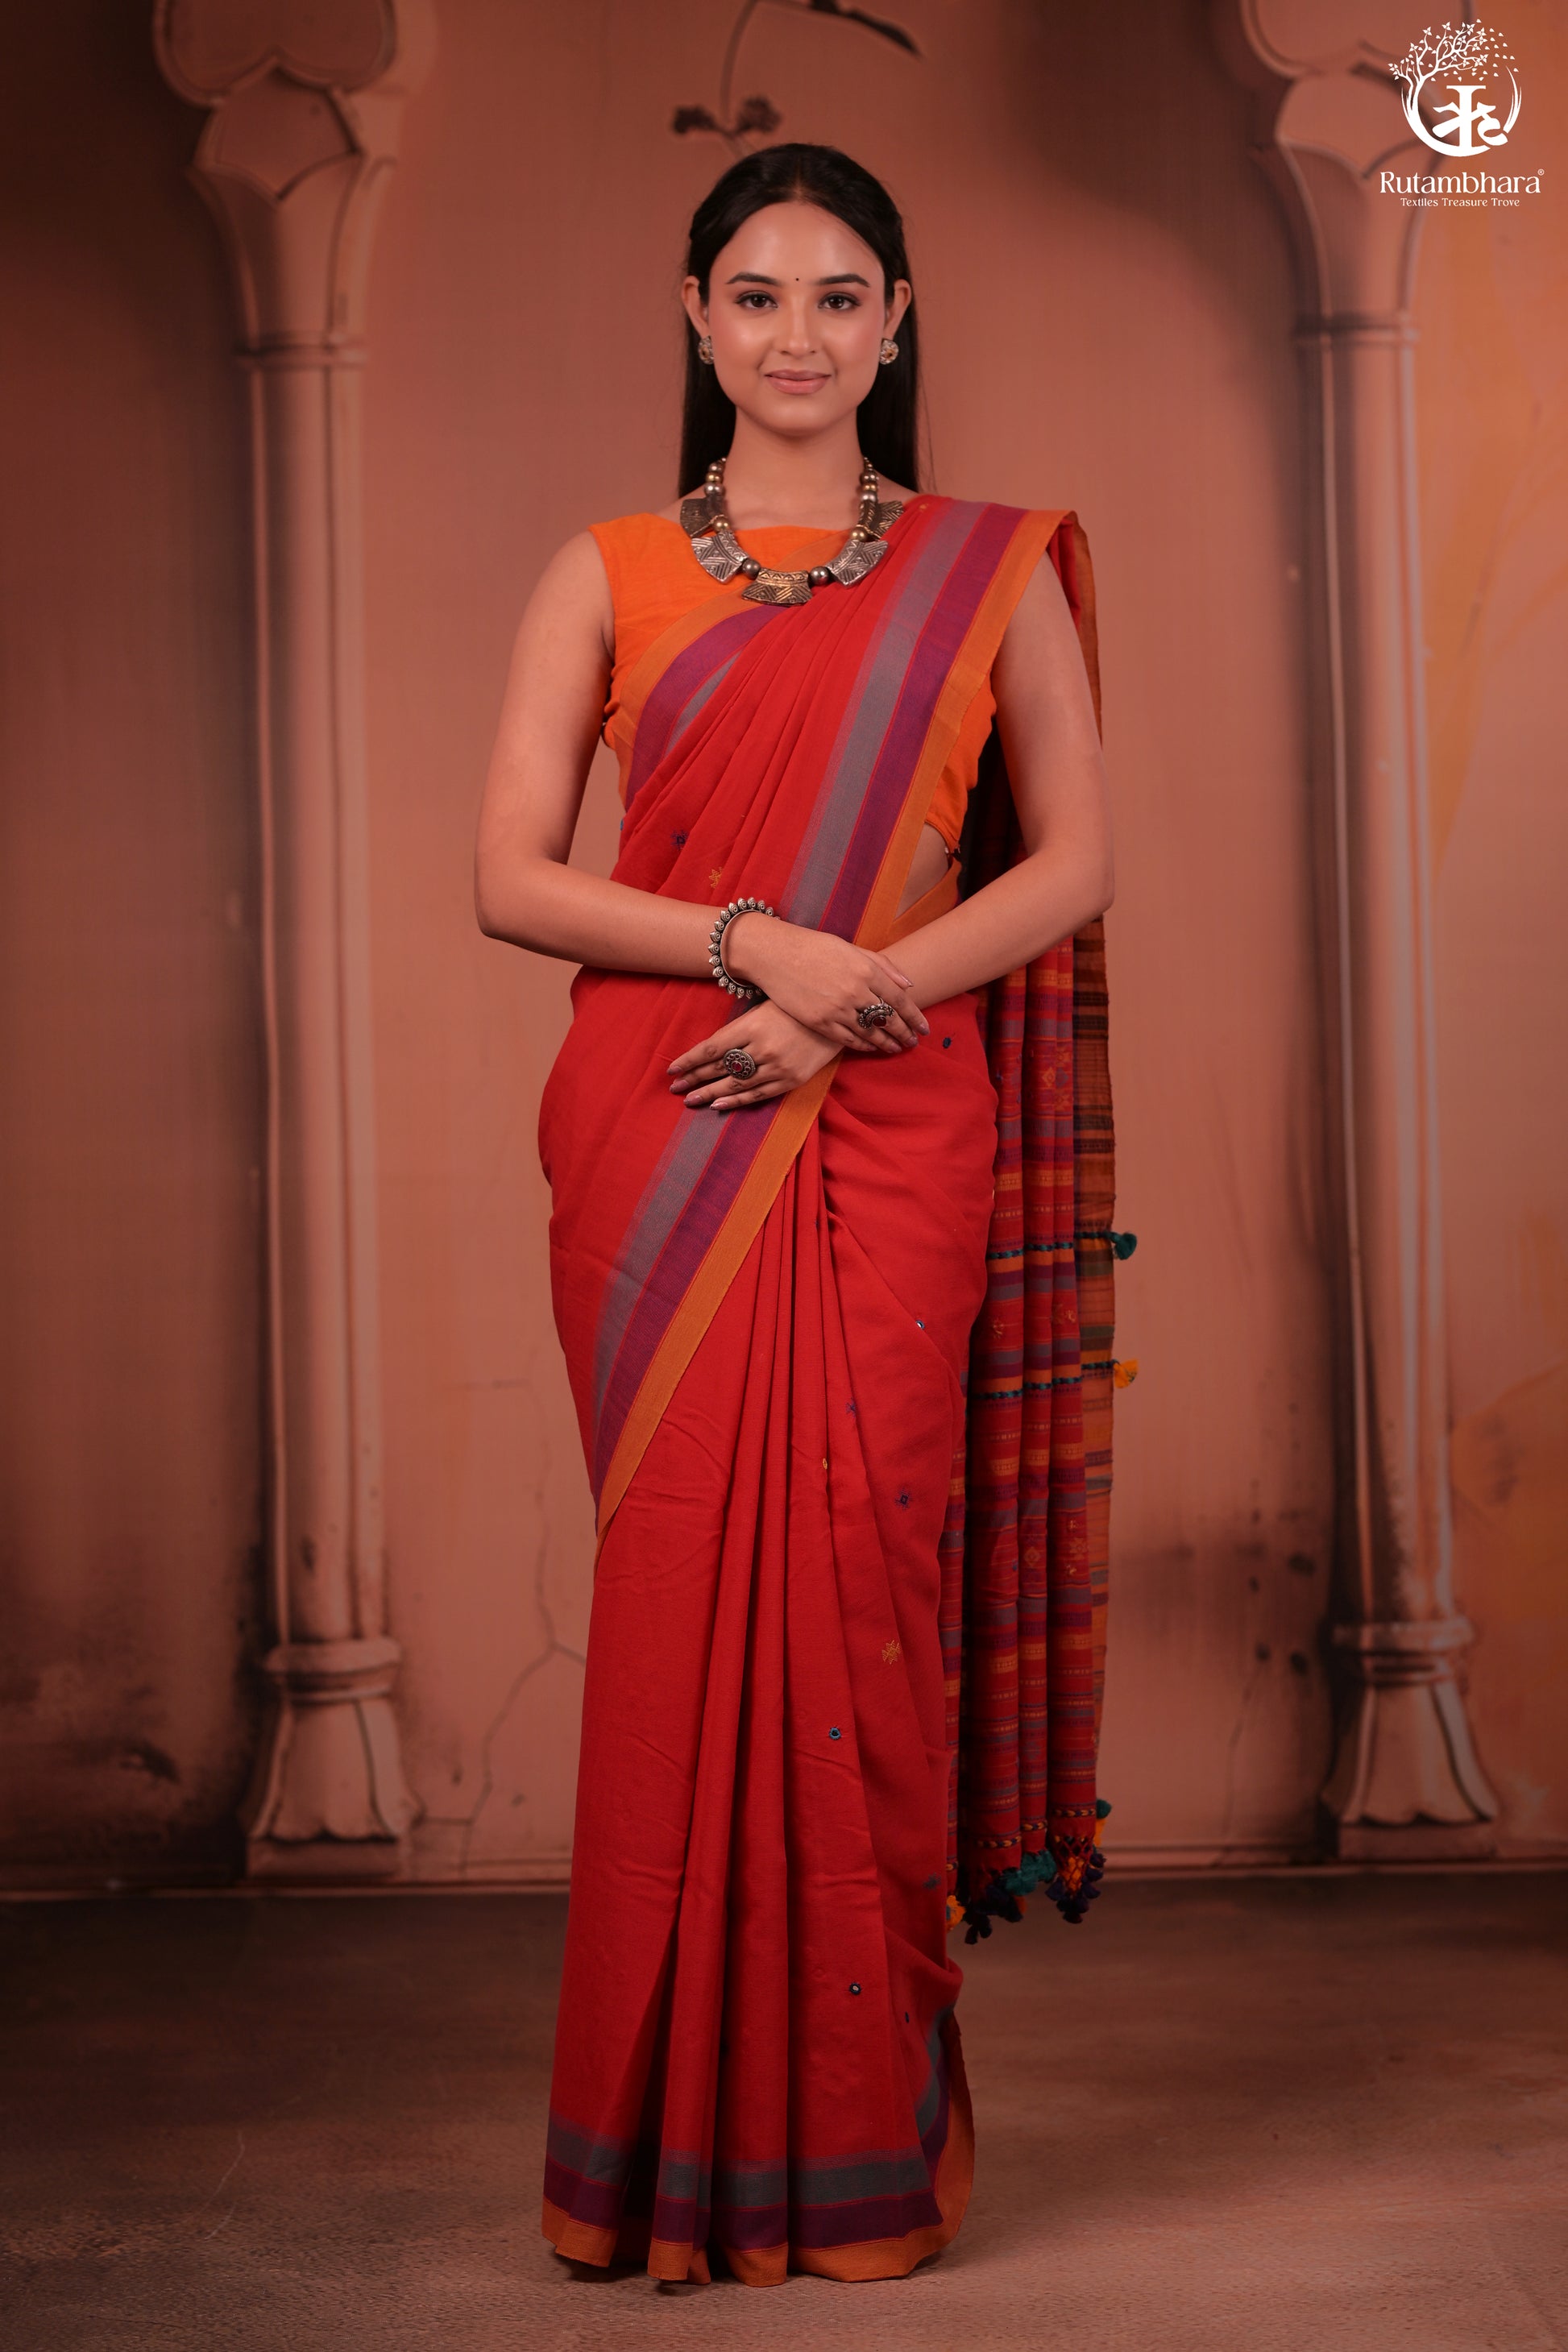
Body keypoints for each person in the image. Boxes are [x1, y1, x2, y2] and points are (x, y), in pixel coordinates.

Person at [475, 142, 1117, 2288]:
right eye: (756, 295)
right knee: (683, 1596)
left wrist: (852, 999)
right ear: (695, 320)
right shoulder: (599, 571)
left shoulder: (984, 570)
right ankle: (652, 2155)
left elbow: (1070, 863)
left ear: (897, 322)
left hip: (896, 1106)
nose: (798, 334)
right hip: (664, 1115)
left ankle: (849, 2148)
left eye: (841, 296)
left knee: (862, 1595)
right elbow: (510, 877)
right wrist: (755, 945)